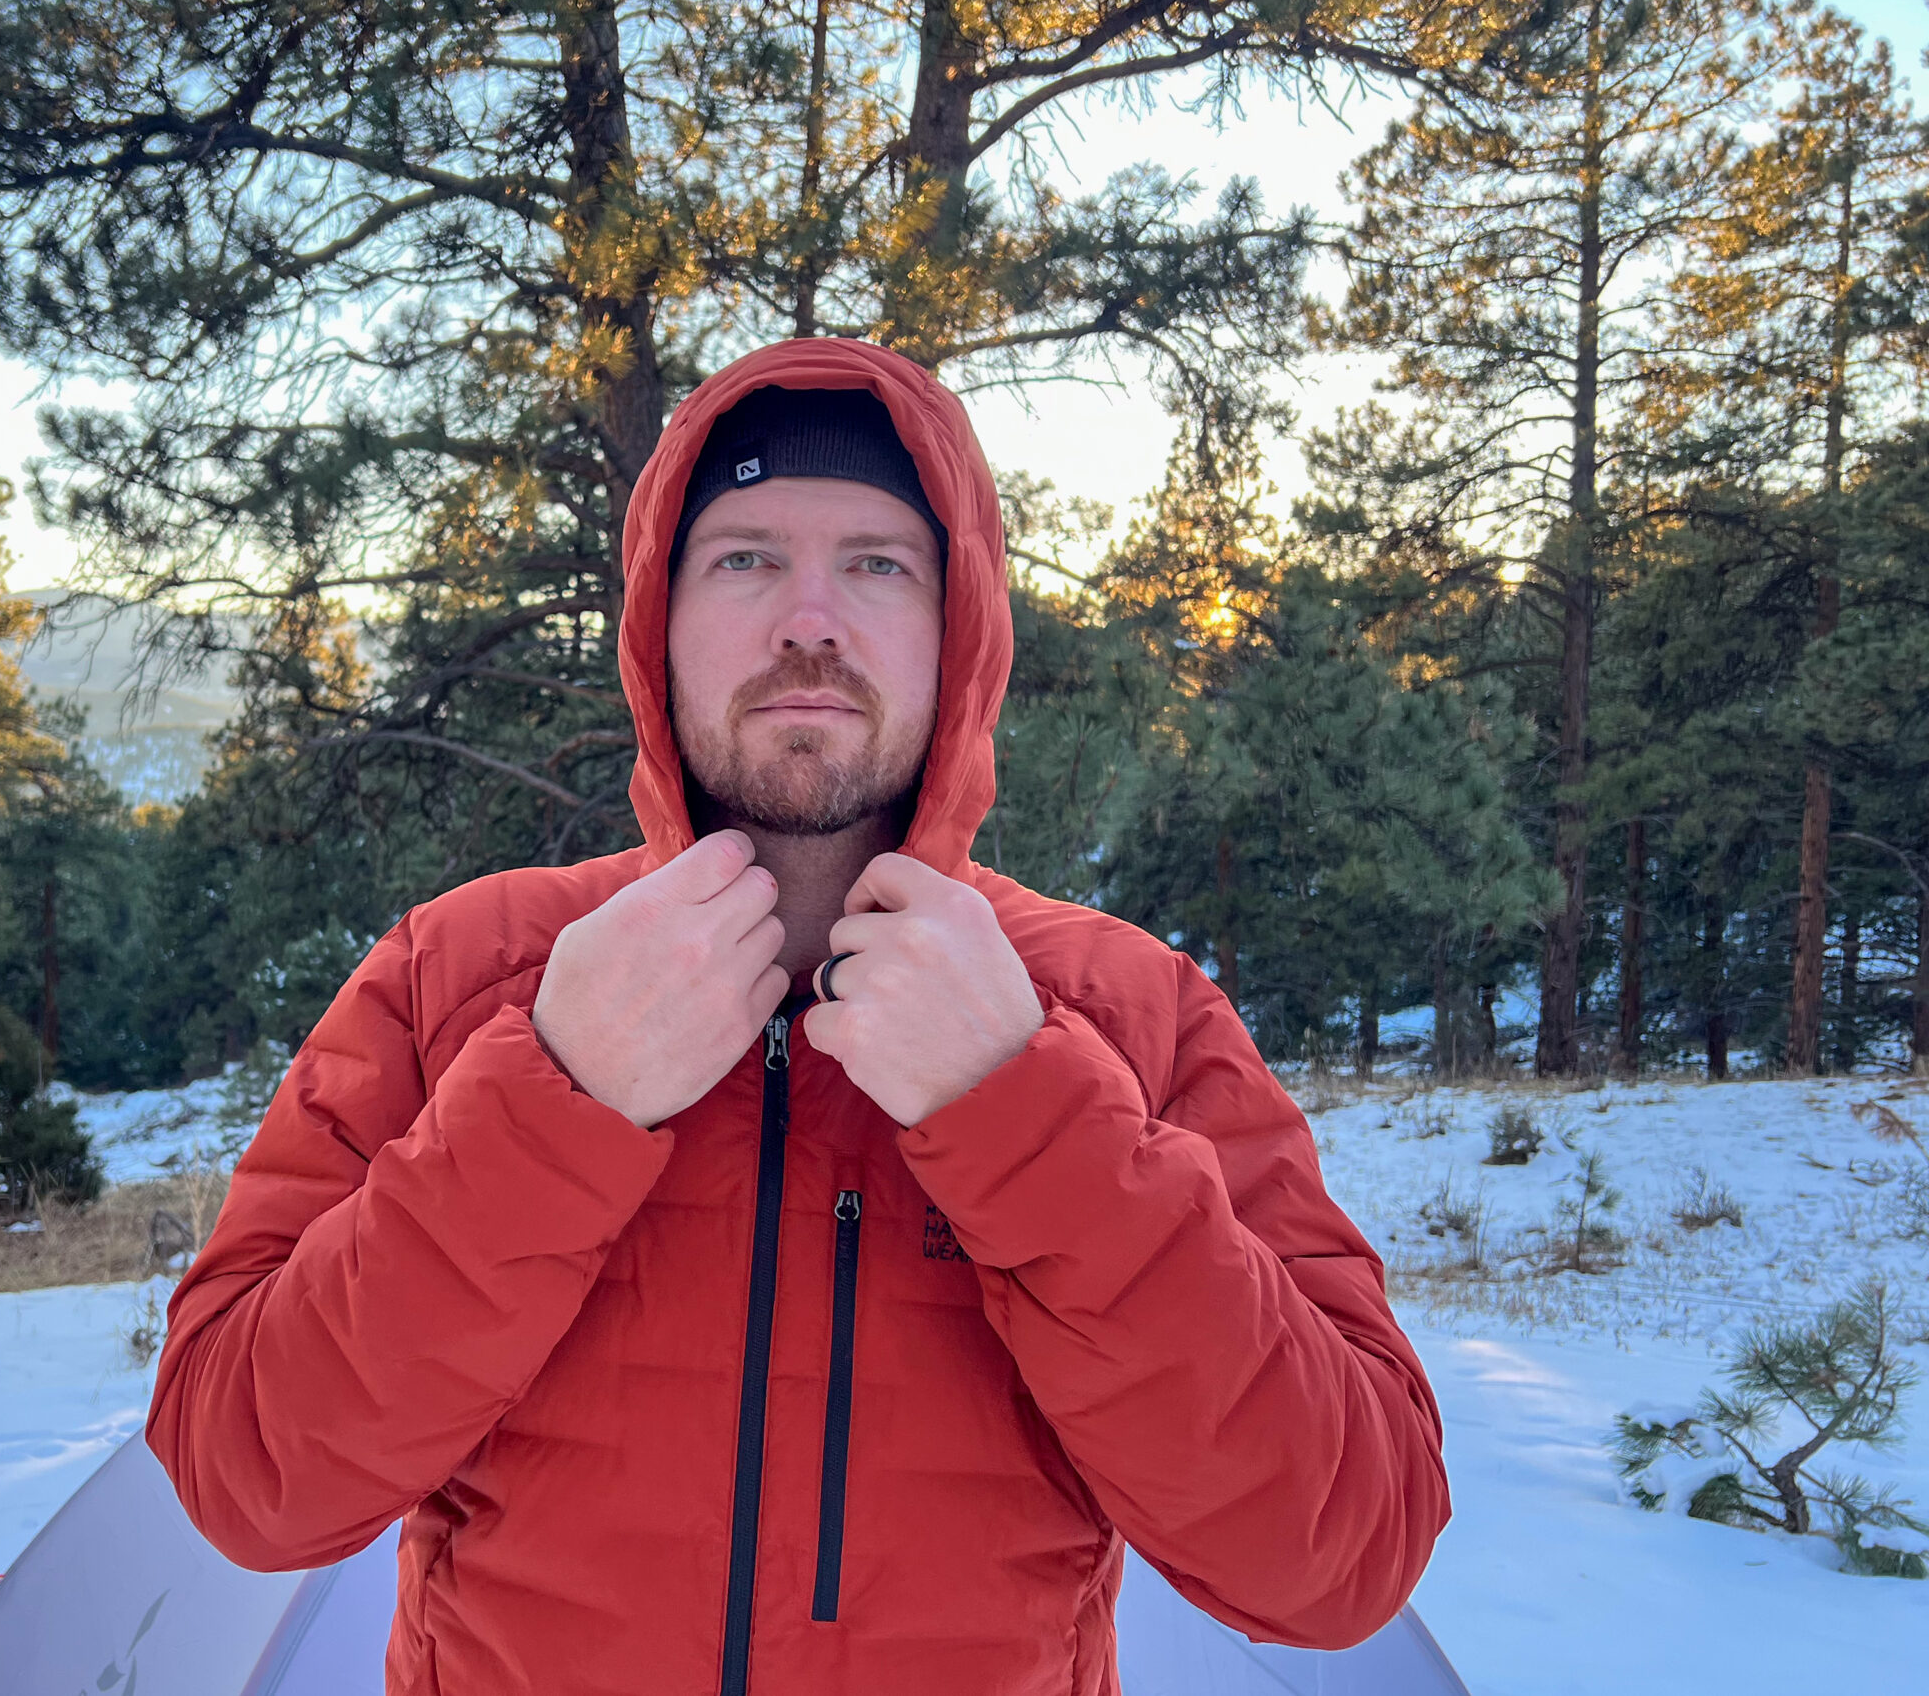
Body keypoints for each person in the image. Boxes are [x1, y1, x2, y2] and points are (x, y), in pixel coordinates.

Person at [146, 337, 1448, 1696]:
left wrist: (1030, 1116)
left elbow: (1340, 1557)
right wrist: (553, 1103)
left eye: (878, 564)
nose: (808, 619)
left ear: (962, 632)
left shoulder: (1128, 1014)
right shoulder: (459, 975)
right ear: (660, 625)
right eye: (746, 558)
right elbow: (251, 1481)